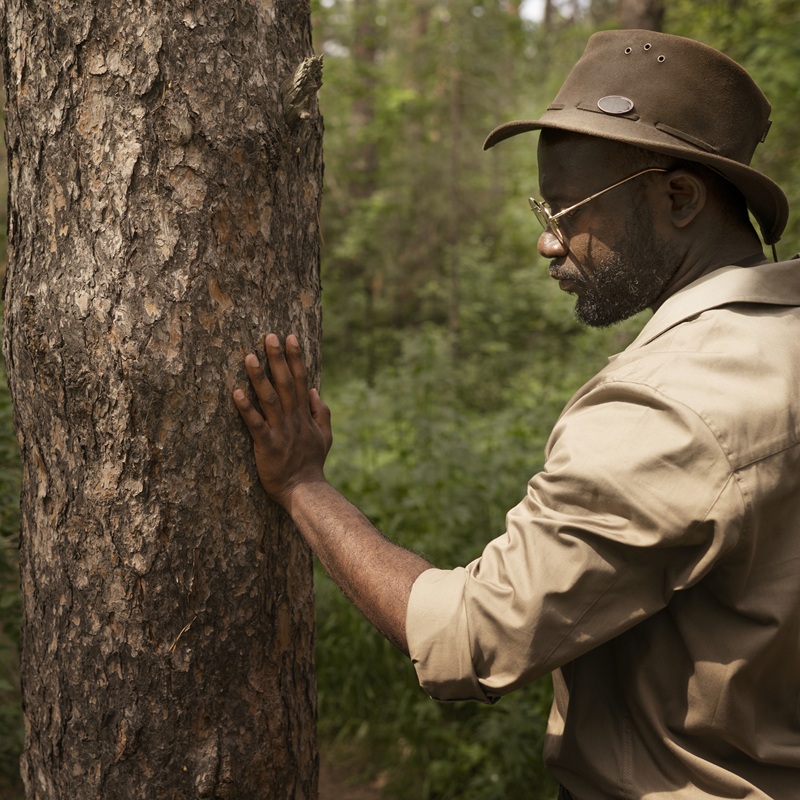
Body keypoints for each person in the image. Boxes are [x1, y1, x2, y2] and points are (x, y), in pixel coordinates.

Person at [233, 30, 800, 799]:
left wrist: (304, 484)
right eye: (545, 207)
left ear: (678, 198)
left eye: (569, 209)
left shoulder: (670, 406)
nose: (547, 241)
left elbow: (469, 638)